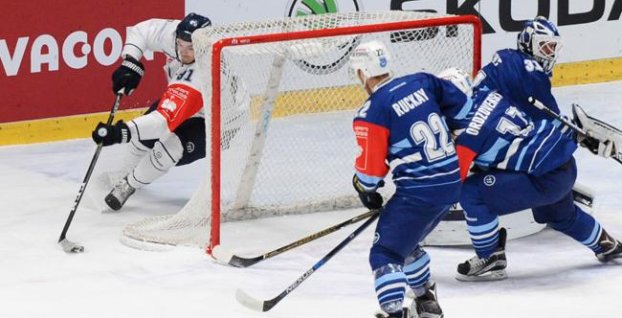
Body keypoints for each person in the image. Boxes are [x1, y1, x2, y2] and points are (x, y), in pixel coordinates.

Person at [453, 16, 622, 282]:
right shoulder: (519, 75)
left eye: (552, 47)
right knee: (557, 213)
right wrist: (573, 136)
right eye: (545, 46)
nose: (550, 53)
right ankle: (606, 244)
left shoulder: (504, 70)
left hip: (544, 173)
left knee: (470, 193)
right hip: (561, 166)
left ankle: (490, 257)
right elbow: (549, 120)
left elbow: (455, 176)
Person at [349, 40, 473, 318]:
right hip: (452, 182)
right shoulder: (423, 81)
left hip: (419, 193)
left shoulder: (372, 111)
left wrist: (364, 190)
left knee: (384, 253)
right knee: (406, 242)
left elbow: (370, 174)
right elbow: (464, 109)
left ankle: (395, 314)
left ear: (361, 74)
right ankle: (427, 301)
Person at [91, 13, 213, 211]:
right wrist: (130, 61)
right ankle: (123, 173)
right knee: (142, 139)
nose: (183, 53)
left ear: (204, 44)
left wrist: (119, 132)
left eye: (190, 48)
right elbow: (143, 31)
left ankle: (129, 184)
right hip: (182, 99)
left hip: (215, 120)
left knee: (168, 149)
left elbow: (162, 123)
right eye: (181, 45)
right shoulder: (178, 38)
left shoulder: (204, 70)